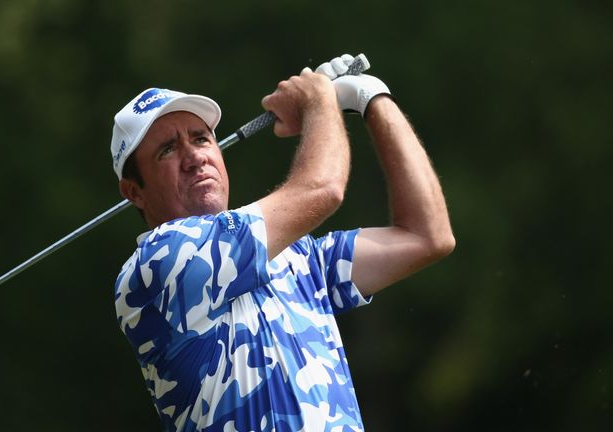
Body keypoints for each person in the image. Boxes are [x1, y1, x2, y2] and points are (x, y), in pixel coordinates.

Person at [111, 54, 455, 432]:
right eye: (167, 150)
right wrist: (319, 101)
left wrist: (373, 99)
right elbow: (322, 190)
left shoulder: (298, 257)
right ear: (134, 192)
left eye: (201, 138)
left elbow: (427, 236)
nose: (195, 157)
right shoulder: (159, 261)